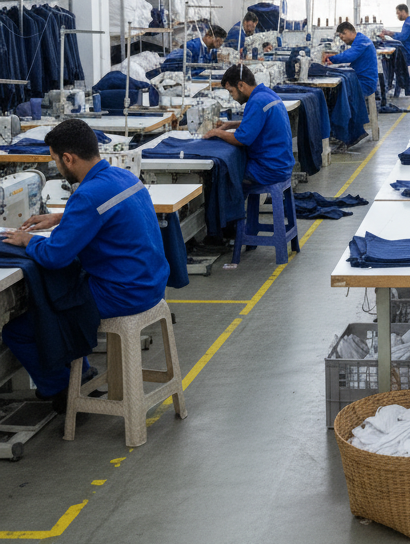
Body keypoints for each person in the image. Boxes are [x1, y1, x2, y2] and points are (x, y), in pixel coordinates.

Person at [0, 119, 169, 408]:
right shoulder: (121, 177)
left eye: (56, 161)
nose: (58, 168)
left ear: (68, 158)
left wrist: (29, 241)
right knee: (62, 293)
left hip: (123, 294)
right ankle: (82, 372)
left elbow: (55, 256)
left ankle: (62, 389)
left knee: (29, 322)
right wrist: (62, 217)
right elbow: (104, 214)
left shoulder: (87, 195)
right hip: (150, 283)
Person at [205, 64, 294, 186]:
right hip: (283, 163)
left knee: (222, 170)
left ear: (241, 85)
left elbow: (242, 139)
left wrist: (217, 133)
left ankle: (230, 205)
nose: (232, 96)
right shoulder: (266, 93)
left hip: (269, 169)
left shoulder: (257, 102)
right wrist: (230, 125)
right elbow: (259, 124)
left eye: (231, 91)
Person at [324, 21, 380, 99]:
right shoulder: (361, 40)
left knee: (333, 91)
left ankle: (342, 111)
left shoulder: (362, 41)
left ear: (347, 31)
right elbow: (349, 53)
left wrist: (329, 58)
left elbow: (349, 56)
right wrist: (334, 56)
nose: (342, 39)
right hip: (360, 79)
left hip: (365, 84)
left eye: (343, 35)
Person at [381, 4, 410, 96]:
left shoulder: (408, 23)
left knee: (388, 61)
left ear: (403, 12)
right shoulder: (409, 22)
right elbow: (402, 37)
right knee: (391, 56)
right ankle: (390, 84)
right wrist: (387, 34)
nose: (397, 16)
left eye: (398, 13)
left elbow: (402, 37)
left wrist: (387, 34)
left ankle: (389, 84)